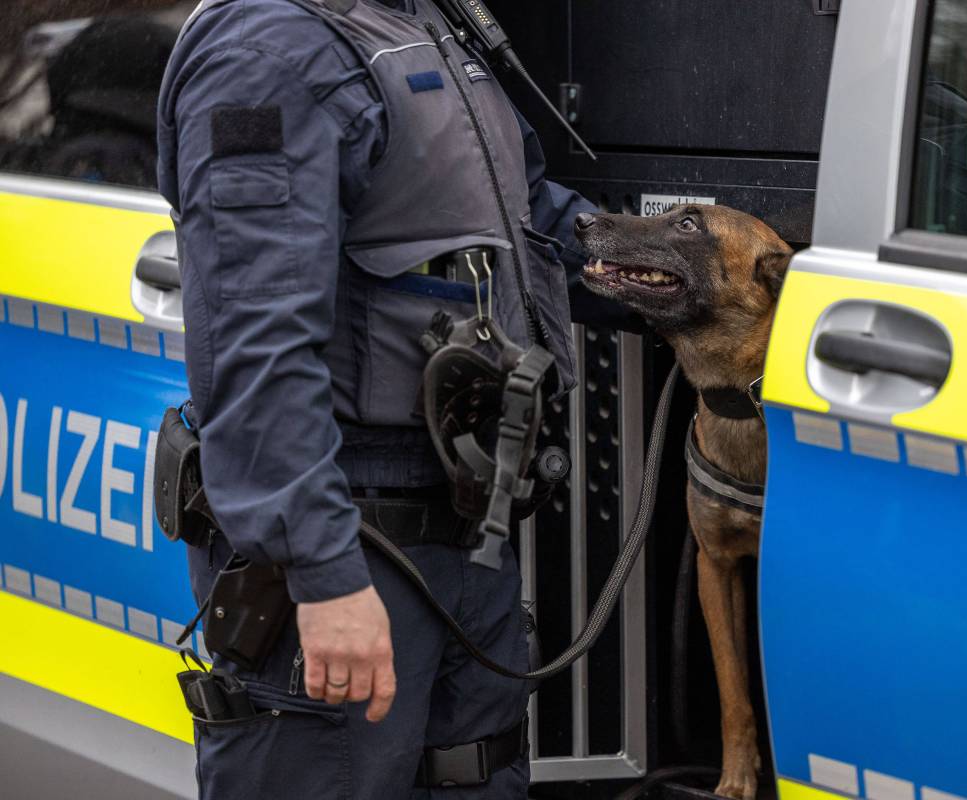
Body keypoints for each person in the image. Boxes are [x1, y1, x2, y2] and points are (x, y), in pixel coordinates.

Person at [156, 0, 629, 797]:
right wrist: (324, 575)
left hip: (458, 537)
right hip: (353, 540)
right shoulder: (269, 51)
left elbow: (523, 216)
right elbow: (255, 344)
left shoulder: (421, 23)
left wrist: (683, 265)